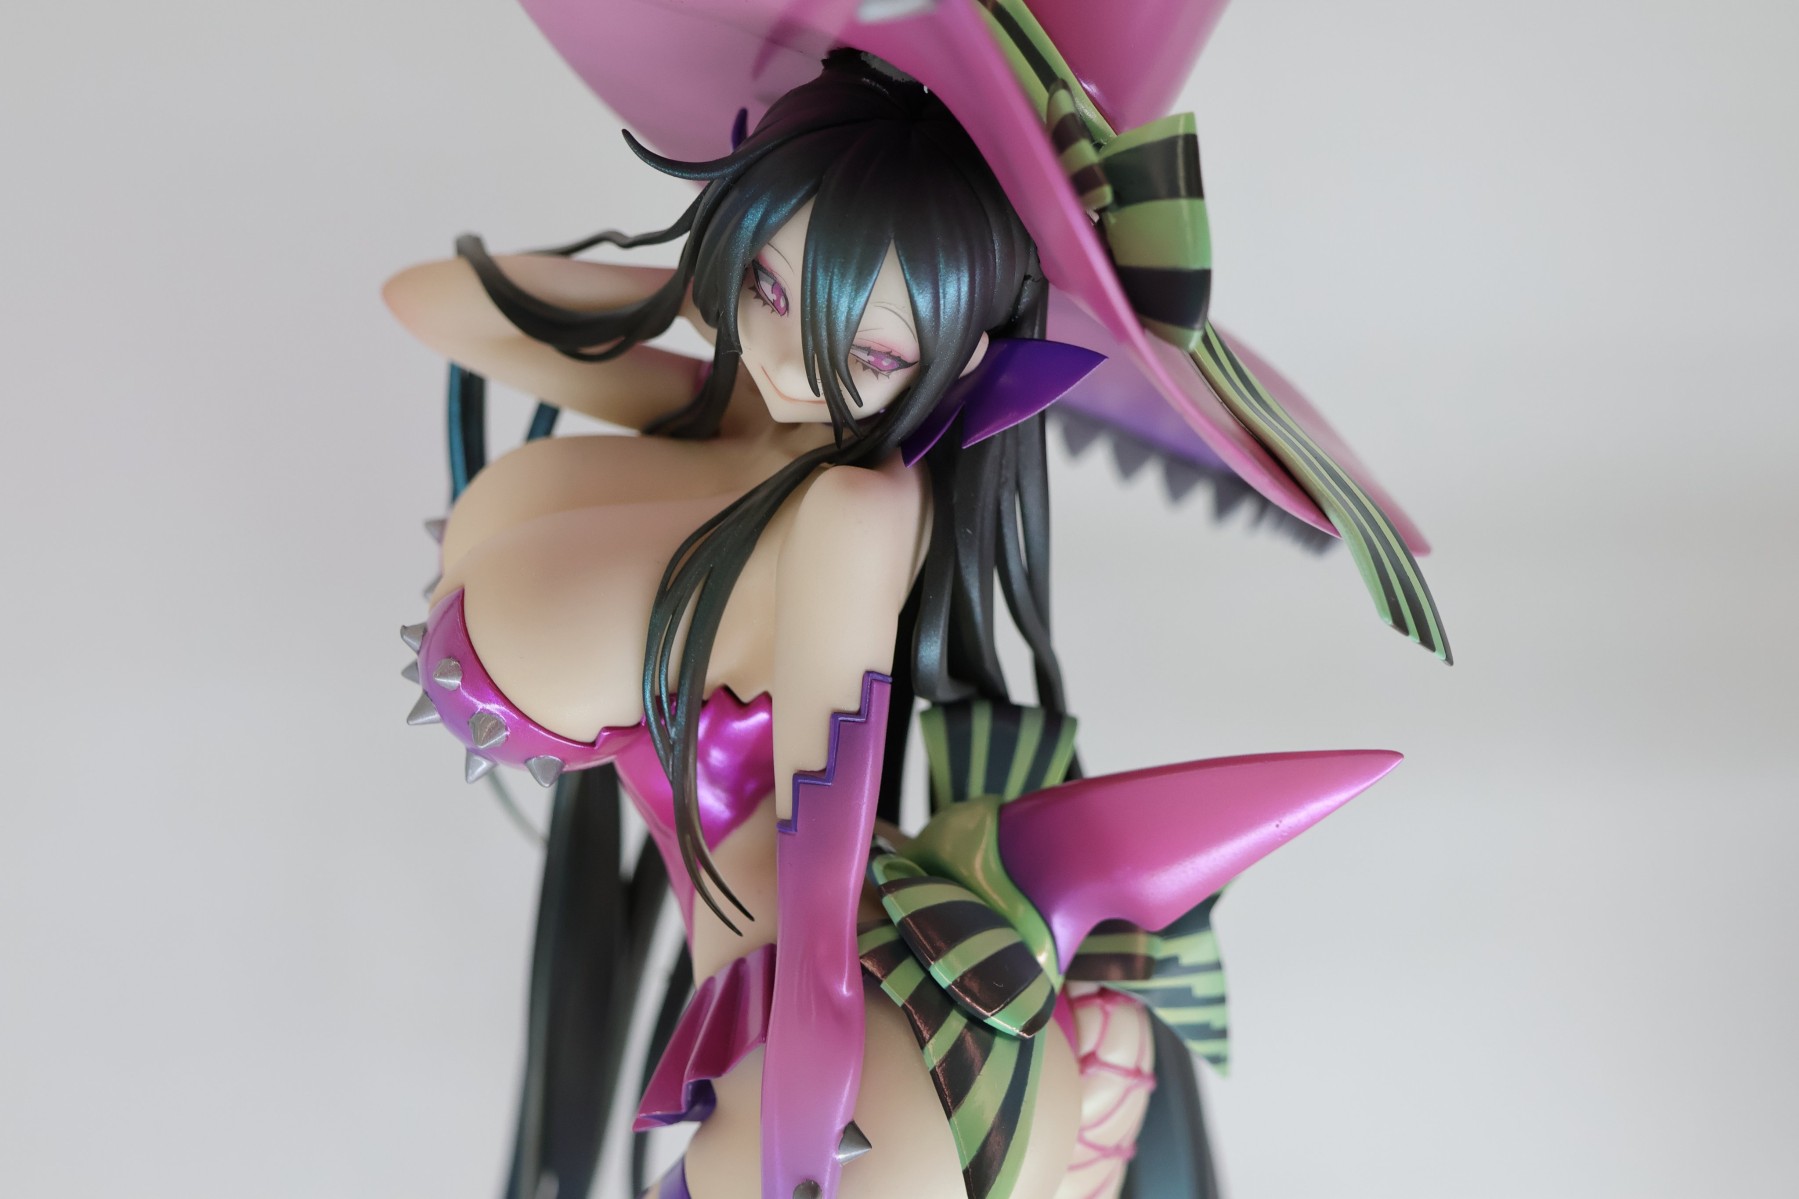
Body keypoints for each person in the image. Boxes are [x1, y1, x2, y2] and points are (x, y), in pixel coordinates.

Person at [387, 27, 1424, 1199]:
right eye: (770, 286)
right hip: (791, 981)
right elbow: (436, 303)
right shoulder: (731, 419)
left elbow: (824, 789)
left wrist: (816, 1031)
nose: (793, 362)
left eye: (868, 349)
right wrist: (716, 281)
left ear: (965, 359)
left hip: (826, 1003)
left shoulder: (851, 511)